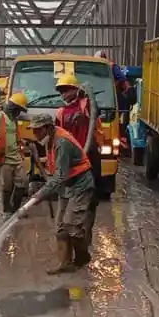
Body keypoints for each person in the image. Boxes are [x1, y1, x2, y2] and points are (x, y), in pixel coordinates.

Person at [19, 112, 97, 273]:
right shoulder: (50, 140)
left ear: (47, 128)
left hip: (80, 186)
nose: (34, 133)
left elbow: (60, 175)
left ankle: (83, 256)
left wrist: (38, 196)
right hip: (66, 187)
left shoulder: (62, 142)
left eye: (37, 130)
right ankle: (64, 263)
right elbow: (55, 170)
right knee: (61, 228)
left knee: (72, 227)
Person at [0, 91, 28, 213]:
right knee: (7, 186)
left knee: (22, 183)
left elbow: (14, 135)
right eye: (18, 109)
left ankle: (15, 208)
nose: (19, 113)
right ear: (13, 107)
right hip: (4, 159)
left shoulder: (14, 120)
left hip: (16, 156)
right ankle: (7, 209)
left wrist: (22, 142)